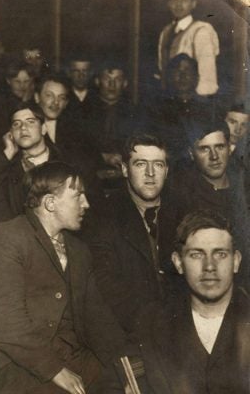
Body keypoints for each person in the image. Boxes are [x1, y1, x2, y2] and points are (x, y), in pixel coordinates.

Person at [0, 161, 126, 394]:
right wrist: (55, 371)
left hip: (69, 355)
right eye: (78, 196)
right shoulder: (7, 238)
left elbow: (97, 316)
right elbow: (4, 324)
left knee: (124, 383)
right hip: (12, 365)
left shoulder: (78, 250)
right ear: (50, 203)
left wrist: (121, 361)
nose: (86, 204)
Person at [105, 210, 250, 393]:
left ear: (236, 261)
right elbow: (112, 383)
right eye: (197, 255)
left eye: (220, 254)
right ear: (178, 262)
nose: (210, 266)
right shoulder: (153, 323)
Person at [87, 134, 181, 333]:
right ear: (124, 169)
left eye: (158, 165)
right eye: (140, 164)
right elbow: (107, 287)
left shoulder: (183, 213)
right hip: (131, 331)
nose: (150, 173)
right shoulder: (102, 217)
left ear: (167, 171)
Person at [171, 116, 250, 284]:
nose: (214, 156)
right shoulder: (183, 198)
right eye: (204, 149)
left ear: (229, 148)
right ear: (192, 154)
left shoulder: (243, 188)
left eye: (220, 147)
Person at [158, 0, 219, 96]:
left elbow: (207, 76)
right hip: (170, 100)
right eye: (174, 0)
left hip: (193, 100)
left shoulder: (201, 30)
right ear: (169, 4)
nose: (178, 5)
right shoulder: (165, 32)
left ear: (193, 4)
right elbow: (163, 70)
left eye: (184, 0)